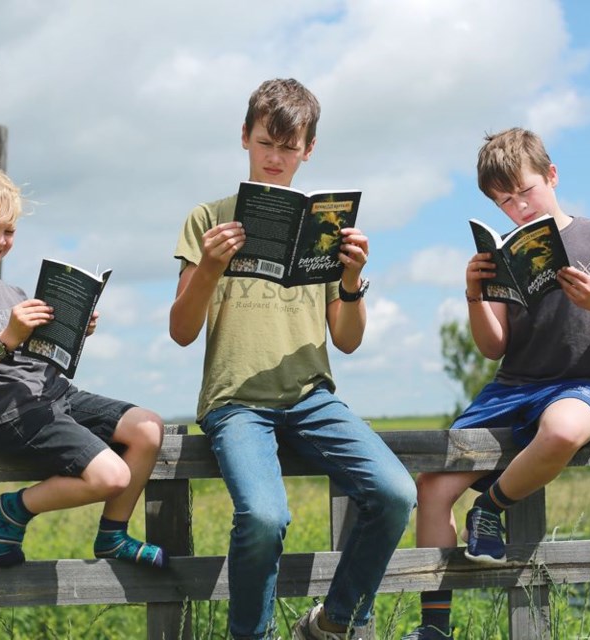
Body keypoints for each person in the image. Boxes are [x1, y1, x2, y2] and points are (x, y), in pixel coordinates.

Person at [170, 78, 416, 640]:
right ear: (244, 138)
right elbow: (181, 331)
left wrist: (350, 281)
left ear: (308, 150)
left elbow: (347, 339)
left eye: (288, 147)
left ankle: (334, 622)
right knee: (263, 517)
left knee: (396, 492)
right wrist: (210, 268)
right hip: (235, 405)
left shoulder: (325, 226)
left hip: (311, 398)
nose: (275, 158)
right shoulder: (206, 219)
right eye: (264, 143)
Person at [401, 127, 590, 640]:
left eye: (526, 191)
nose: (519, 208)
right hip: (511, 388)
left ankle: (490, 508)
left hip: (583, 384)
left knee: (559, 432)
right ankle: (435, 627)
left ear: (552, 175)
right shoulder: (502, 253)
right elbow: (492, 346)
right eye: (504, 202)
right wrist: (474, 294)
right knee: (431, 487)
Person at [0, 162, 167, 570]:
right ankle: (14, 509)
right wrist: (6, 339)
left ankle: (112, 537)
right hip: (10, 412)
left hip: (54, 395)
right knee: (112, 477)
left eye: (9, 231)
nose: (0, 241)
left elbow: (36, 352)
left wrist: (73, 329)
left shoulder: (10, 289)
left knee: (149, 428)